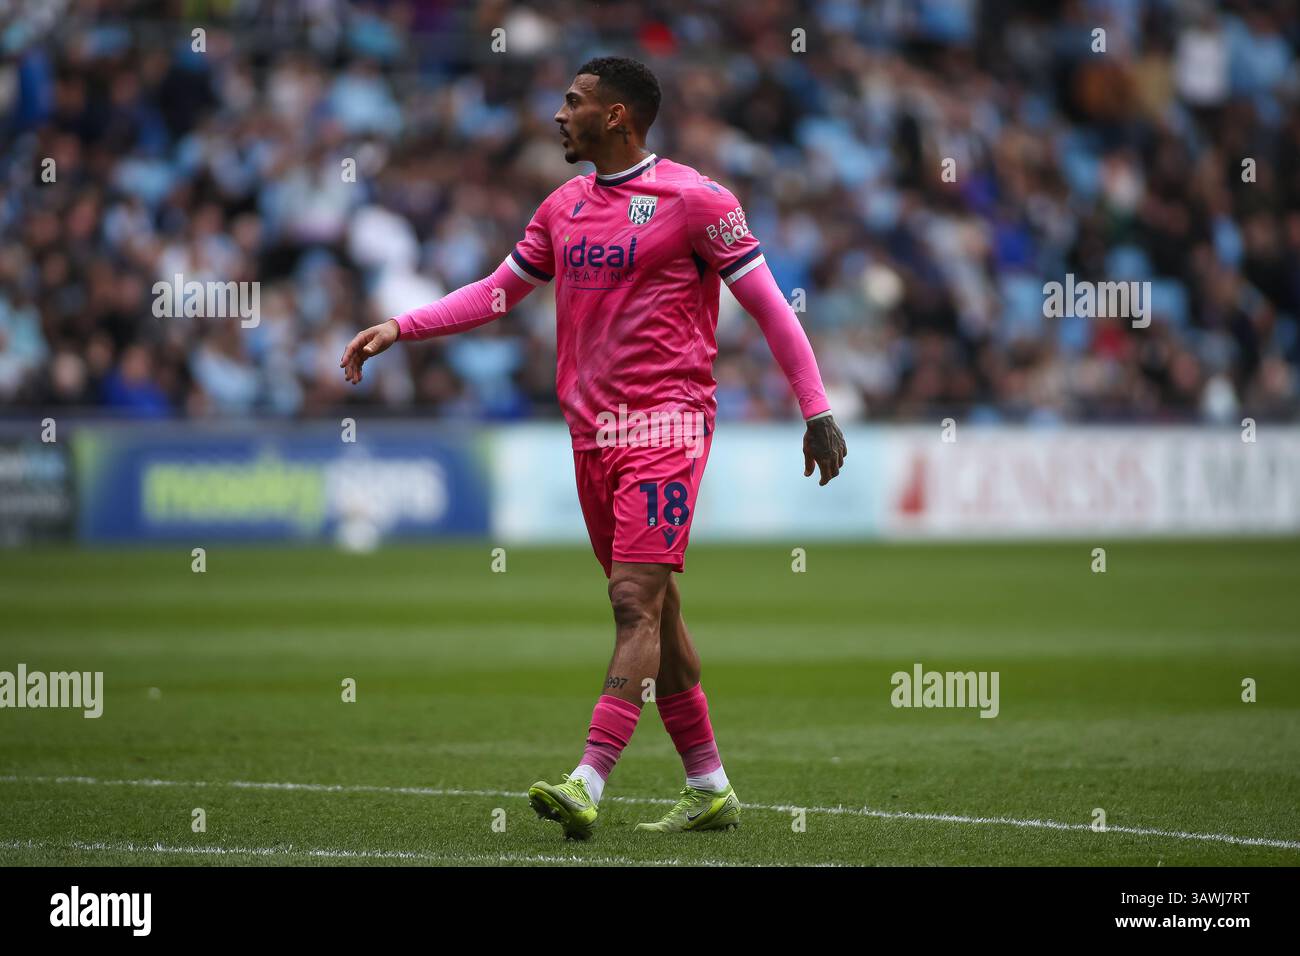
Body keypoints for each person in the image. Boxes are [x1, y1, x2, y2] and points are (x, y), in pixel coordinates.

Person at [340, 56, 846, 840]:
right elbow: (496, 292)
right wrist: (402, 326)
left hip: (667, 426)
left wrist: (815, 409)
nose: (557, 115)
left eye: (572, 102)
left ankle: (587, 781)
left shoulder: (696, 201)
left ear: (617, 117)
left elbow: (772, 311)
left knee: (631, 600)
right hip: (591, 435)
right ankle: (709, 783)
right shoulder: (562, 207)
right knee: (661, 607)